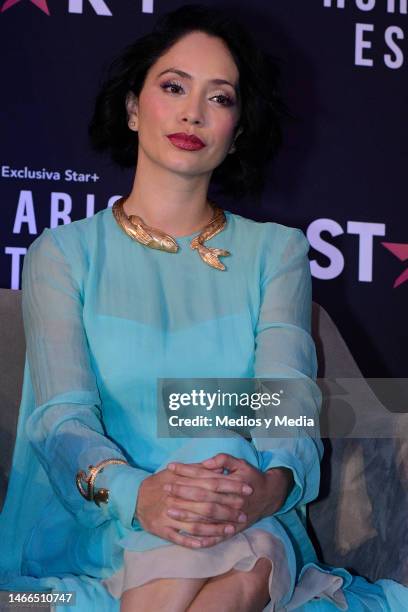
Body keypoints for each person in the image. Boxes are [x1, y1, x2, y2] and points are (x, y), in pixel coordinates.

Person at [0, 4, 407, 611]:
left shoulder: (276, 252)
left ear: (237, 129)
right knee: (226, 579)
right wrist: (140, 493)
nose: (193, 111)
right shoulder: (64, 253)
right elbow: (61, 420)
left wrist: (271, 487)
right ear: (134, 108)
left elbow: (285, 397)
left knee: (242, 558)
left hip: (247, 516)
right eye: (173, 87)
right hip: (108, 521)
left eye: (220, 98)